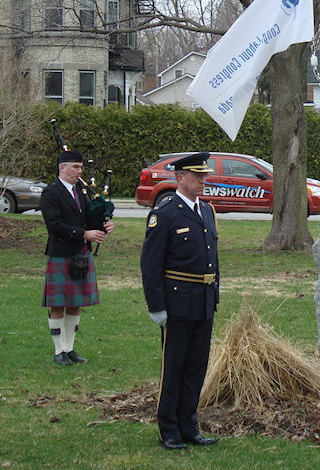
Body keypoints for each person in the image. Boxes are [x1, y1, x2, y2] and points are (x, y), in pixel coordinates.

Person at [140, 151, 219, 450]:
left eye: (204, 176)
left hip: (203, 301)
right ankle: (169, 428)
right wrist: (157, 307)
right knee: (173, 368)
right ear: (180, 178)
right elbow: (150, 265)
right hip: (177, 303)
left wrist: (214, 294)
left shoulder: (207, 211)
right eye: (197, 176)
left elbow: (212, 258)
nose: (203, 181)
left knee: (196, 368)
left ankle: (189, 425)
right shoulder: (165, 213)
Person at [40, 150, 114, 366]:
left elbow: (88, 220)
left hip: (81, 253)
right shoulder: (51, 193)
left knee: (75, 303)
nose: (80, 171)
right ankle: (58, 350)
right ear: (62, 167)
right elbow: (54, 225)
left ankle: (69, 349)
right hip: (61, 253)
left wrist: (103, 226)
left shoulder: (80, 192)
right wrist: (84, 235)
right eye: (76, 167)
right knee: (58, 304)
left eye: (81, 167)